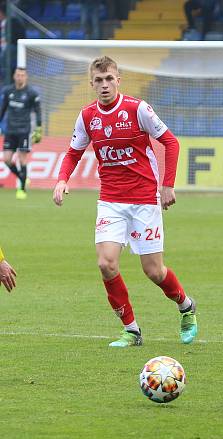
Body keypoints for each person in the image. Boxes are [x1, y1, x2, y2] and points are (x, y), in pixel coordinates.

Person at [52, 56, 198, 347]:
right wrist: (61, 179)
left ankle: (186, 306)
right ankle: (131, 330)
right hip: (111, 201)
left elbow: (171, 142)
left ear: (118, 80)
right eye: (98, 80)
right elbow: (72, 152)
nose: (104, 85)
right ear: (91, 83)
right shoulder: (87, 116)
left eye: (109, 79)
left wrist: (167, 185)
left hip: (144, 199)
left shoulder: (137, 109)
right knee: (106, 264)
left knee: (153, 271)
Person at [0, 68, 41, 199]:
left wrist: (39, 128)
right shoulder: (8, 91)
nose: (20, 77)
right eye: (18, 75)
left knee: (22, 159)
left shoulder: (31, 93)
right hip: (10, 131)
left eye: (22, 75)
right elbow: (3, 108)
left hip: (24, 131)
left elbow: (38, 111)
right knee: (6, 159)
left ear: (26, 77)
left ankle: (22, 189)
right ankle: (22, 177)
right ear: (14, 76)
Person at [0, 4, 25, 84]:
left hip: (12, 46)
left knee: (6, 52)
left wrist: (9, 41)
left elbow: (21, 35)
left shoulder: (14, 21)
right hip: (2, 48)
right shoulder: (1, 23)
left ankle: (7, 79)